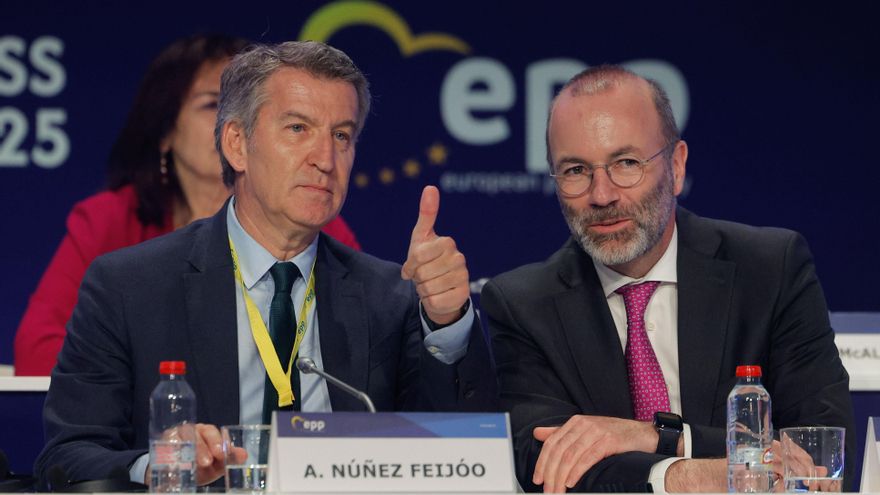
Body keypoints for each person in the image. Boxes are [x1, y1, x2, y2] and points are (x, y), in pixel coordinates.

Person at [35, 40, 495, 488]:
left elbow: (461, 455)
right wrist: (161, 465)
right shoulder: (129, 287)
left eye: (342, 135)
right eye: (298, 129)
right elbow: (69, 456)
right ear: (236, 143)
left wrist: (447, 322)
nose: (325, 159)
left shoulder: (388, 295)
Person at [480, 65, 854, 493]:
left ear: (676, 167)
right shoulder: (523, 305)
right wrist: (694, 474)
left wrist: (653, 436)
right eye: (576, 170)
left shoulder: (770, 269)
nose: (602, 195)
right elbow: (546, 465)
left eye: (626, 163)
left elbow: (818, 456)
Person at [13, 34, 361, 376]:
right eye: (214, 104)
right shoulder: (110, 220)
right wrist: (178, 383)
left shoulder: (311, 221)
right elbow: (37, 350)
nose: (230, 119)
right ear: (165, 129)